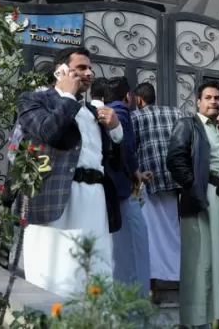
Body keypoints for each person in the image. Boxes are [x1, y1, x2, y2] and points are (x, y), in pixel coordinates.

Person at [15, 47, 123, 298]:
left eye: (90, 68)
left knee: (97, 272)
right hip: (58, 198)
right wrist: (67, 96)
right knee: (55, 274)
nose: (89, 73)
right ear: (60, 71)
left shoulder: (94, 113)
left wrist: (116, 130)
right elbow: (49, 132)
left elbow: (116, 164)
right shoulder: (33, 100)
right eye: (81, 68)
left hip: (96, 201)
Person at [167, 81, 219, 328]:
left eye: (217, 98)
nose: (213, 102)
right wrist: (195, 189)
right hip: (203, 196)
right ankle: (195, 320)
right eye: (208, 97)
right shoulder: (187, 124)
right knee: (200, 260)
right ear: (198, 102)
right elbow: (175, 159)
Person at [131, 82, 182, 303]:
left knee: (149, 236)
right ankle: (184, 285)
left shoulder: (135, 117)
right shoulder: (176, 113)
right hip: (174, 182)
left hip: (148, 183)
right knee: (174, 234)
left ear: (139, 100)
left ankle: (152, 290)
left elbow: (130, 150)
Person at [104, 77, 150, 298]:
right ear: (128, 96)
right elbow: (126, 147)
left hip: (109, 190)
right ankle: (134, 305)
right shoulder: (120, 111)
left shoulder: (104, 110)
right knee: (133, 246)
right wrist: (134, 171)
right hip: (121, 190)